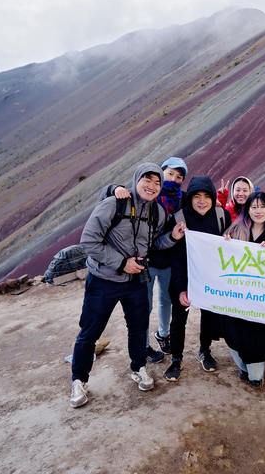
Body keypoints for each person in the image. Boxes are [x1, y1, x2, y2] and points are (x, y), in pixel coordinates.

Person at [70, 163, 186, 408]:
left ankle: (138, 368)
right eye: (147, 180)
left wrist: (173, 237)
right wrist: (122, 262)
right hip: (104, 280)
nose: (152, 186)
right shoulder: (114, 204)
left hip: (136, 281)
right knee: (90, 332)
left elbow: (153, 243)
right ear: (136, 180)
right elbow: (88, 241)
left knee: (138, 328)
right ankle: (79, 380)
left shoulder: (158, 213)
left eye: (157, 183)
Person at [108, 157, 188, 360]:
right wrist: (113, 188)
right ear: (161, 174)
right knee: (145, 304)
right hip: (145, 262)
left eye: (179, 177)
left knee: (166, 301)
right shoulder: (147, 198)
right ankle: (143, 346)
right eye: (170, 174)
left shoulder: (183, 199)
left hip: (170, 261)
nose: (174, 179)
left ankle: (163, 335)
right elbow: (114, 195)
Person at [164, 176, 231, 381]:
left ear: (212, 197)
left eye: (206, 196)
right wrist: (183, 288)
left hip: (210, 279)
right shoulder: (178, 218)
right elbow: (176, 257)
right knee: (178, 320)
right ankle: (176, 358)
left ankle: (205, 350)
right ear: (190, 198)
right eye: (196, 196)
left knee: (208, 318)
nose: (201, 201)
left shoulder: (222, 216)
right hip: (183, 277)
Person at [219, 192, 265, 387]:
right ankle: (244, 365)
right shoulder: (234, 230)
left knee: (254, 337)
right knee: (231, 330)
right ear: (247, 209)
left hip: (259, 302)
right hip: (235, 297)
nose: (258, 211)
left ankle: (255, 372)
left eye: (263, 206)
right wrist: (225, 242)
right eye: (254, 206)